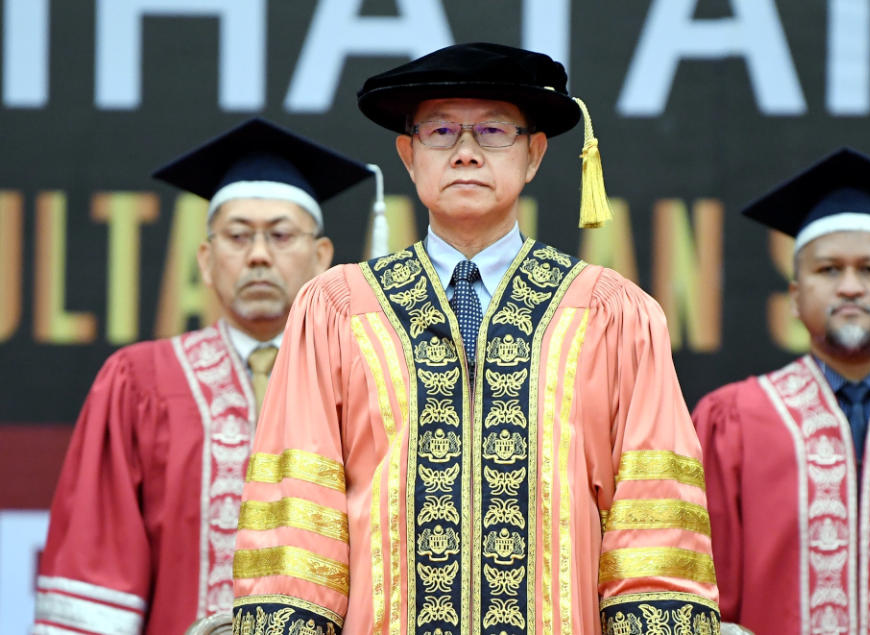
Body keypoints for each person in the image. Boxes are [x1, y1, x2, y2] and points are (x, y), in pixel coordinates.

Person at [232, 42, 720, 635]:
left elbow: (654, 522)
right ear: (408, 156)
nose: (465, 153)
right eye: (440, 132)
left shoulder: (614, 314)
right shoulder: (335, 310)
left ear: (534, 154)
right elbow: (296, 525)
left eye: (493, 132)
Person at [33, 118, 376, 634]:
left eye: (281, 234)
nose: (259, 254)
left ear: (322, 258)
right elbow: (96, 569)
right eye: (237, 236)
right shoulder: (139, 384)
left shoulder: (369, 382)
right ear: (206, 259)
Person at [692, 147, 870, 634]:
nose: (851, 287)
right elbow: (703, 600)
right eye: (829, 270)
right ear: (795, 296)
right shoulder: (735, 422)